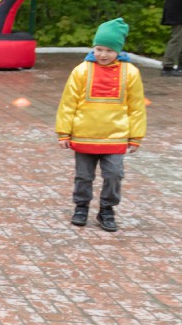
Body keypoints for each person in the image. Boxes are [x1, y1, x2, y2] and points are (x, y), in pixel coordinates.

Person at [55, 18, 146, 232]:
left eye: (109, 50)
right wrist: (64, 132)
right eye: (99, 49)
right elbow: (68, 103)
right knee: (83, 176)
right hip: (83, 135)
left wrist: (136, 136)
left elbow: (136, 107)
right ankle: (81, 207)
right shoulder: (81, 70)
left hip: (116, 136)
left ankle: (107, 209)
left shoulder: (130, 73)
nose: (103, 54)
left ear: (118, 51)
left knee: (114, 175)